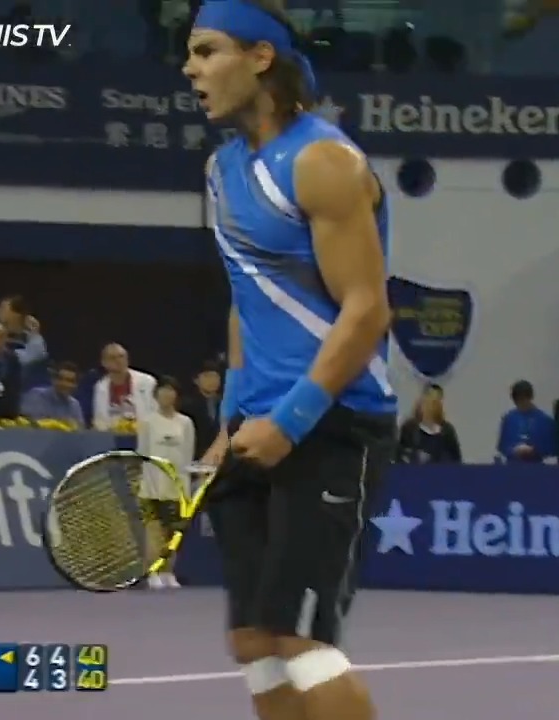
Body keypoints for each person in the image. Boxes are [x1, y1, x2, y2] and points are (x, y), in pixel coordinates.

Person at [184, 2, 397, 720]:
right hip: (256, 426)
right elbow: (248, 301)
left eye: (207, 51)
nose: (190, 69)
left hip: (332, 422)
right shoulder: (221, 170)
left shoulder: (323, 162)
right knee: (255, 641)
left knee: (303, 640)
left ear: (260, 57)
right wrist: (229, 422)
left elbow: (367, 308)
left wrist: (290, 421)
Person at [136, 376, 196, 589]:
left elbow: (187, 456)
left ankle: (168, 572)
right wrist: (148, 482)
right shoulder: (147, 422)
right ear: (155, 395)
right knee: (154, 531)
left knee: (173, 533)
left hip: (177, 485)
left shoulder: (186, 423)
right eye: (162, 390)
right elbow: (143, 454)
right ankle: (152, 572)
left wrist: (184, 486)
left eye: (171, 390)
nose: (167, 394)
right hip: (153, 485)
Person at [396, 385, 462, 463]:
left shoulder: (447, 430)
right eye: (426, 401)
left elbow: (456, 460)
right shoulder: (410, 428)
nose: (429, 407)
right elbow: (401, 456)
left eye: (435, 402)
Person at [496, 380, 556, 463]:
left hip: (536, 467)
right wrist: (514, 450)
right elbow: (502, 447)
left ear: (530, 398)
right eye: (518, 401)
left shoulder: (545, 420)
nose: (521, 404)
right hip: (512, 467)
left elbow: (552, 449)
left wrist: (534, 450)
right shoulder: (508, 419)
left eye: (523, 399)